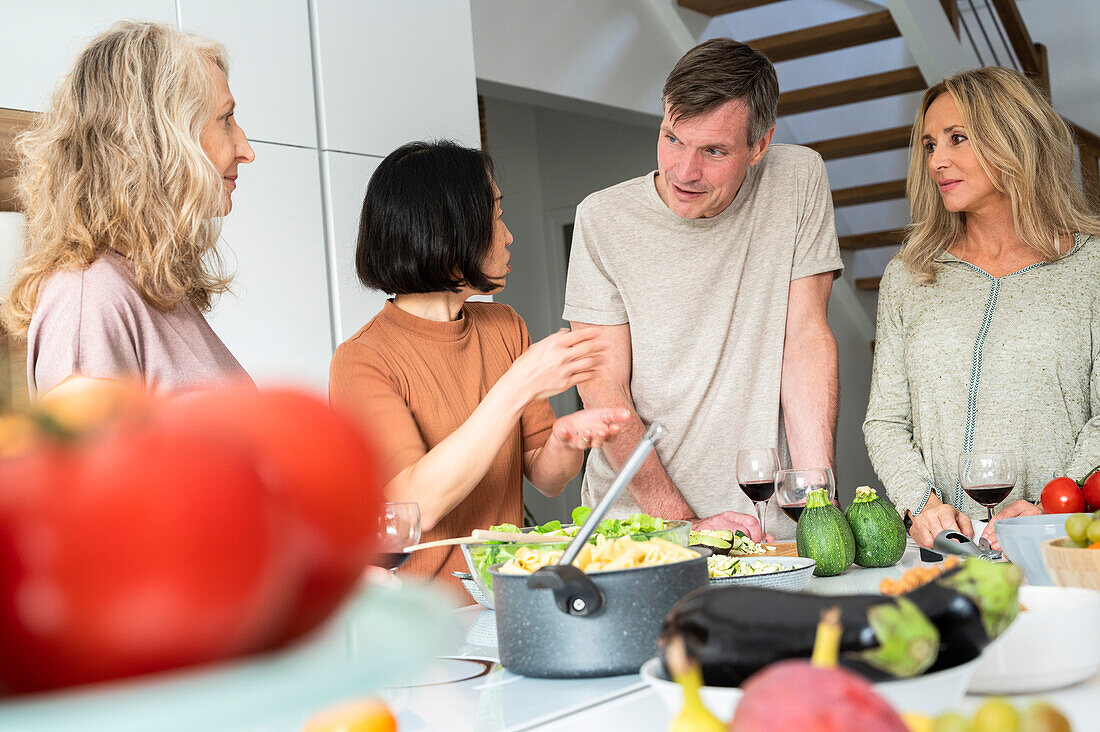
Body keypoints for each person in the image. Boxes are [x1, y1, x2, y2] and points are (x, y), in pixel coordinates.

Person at [563, 38, 843, 539]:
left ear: (760, 146)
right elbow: (605, 391)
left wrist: (816, 500)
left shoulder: (797, 178)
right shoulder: (601, 220)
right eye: (673, 139)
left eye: (714, 151)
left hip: (763, 523)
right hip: (640, 528)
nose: (684, 173)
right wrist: (686, 525)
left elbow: (805, 339)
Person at [329, 141, 630, 586]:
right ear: (449, 229)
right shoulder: (363, 359)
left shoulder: (504, 325)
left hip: (503, 599)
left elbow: (547, 479)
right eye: (496, 215)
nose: (507, 235)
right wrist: (517, 386)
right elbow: (415, 505)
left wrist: (567, 439)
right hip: (428, 623)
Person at [864, 66, 1100, 550]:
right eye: (930, 145)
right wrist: (920, 506)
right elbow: (886, 420)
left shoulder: (1091, 268)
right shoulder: (909, 276)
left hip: (1058, 543)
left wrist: (1053, 503)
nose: (936, 161)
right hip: (939, 552)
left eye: (957, 139)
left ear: (1013, 141)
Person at [1, 21, 254, 396]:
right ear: (158, 136)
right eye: (225, 119)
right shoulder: (88, 302)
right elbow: (89, 455)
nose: (246, 150)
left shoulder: (145, 284)